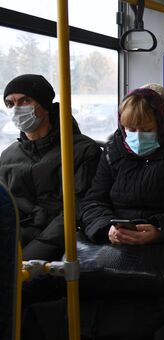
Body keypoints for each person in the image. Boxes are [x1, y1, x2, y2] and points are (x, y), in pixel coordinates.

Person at [78, 88, 164, 340]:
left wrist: (158, 229)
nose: (136, 136)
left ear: (161, 125)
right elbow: (92, 202)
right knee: (83, 316)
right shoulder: (114, 150)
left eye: (145, 129)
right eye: (130, 129)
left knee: (131, 324)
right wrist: (107, 227)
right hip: (115, 246)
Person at [0, 74, 102, 261]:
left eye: (25, 100)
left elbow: (76, 209)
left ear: (44, 106)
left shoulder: (81, 150)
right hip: (19, 234)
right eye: (10, 104)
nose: (16, 109)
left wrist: (30, 256)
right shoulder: (8, 156)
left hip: (62, 238)